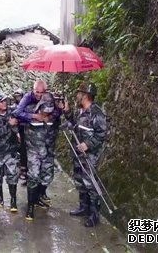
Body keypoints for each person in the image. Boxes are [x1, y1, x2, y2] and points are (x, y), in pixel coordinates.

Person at [63, 82, 109, 227]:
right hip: (77, 154)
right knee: (80, 181)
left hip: (90, 156)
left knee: (90, 184)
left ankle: (94, 214)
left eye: (79, 94)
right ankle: (84, 207)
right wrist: (67, 112)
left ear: (85, 96)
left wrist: (88, 144)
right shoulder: (80, 111)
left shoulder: (97, 114)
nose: (76, 96)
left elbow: (102, 134)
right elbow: (74, 124)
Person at [14, 80, 61, 201]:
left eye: (42, 92)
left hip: (45, 134)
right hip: (28, 127)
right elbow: (18, 112)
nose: (39, 95)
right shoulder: (28, 97)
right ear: (33, 90)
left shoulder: (48, 97)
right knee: (27, 152)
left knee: (46, 168)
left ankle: (41, 193)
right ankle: (24, 171)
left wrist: (49, 116)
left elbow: (57, 112)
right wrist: (34, 116)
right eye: (37, 92)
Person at [23, 93, 59, 221]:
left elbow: (64, 118)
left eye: (49, 111)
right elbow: (15, 114)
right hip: (33, 151)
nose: (46, 114)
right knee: (33, 177)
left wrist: (65, 109)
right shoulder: (29, 111)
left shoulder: (54, 115)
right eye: (44, 110)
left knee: (48, 176)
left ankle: (38, 197)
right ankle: (30, 206)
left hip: (48, 151)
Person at [11, 88, 28, 182]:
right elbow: (12, 120)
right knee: (19, 149)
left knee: (25, 149)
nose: (18, 98)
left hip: (26, 129)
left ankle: (25, 169)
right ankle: (20, 169)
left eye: (19, 96)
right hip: (17, 130)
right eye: (16, 96)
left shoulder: (26, 106)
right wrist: (16, 132)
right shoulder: (14, 107)